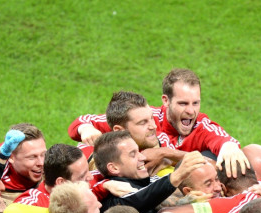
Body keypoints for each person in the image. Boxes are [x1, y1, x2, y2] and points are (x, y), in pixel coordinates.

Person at [69, 68, 249, 177]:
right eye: (183, 103)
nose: (191, 110)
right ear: (166, 100)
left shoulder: (200, 125)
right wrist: (85, 129)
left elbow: (223, 140)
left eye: (196, 103)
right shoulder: (147, 117)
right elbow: (82, 122)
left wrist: (229, 146)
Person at [93, 130, 206, 213]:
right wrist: (178, 175)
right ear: (114, 168)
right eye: (133, 154)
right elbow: (140, 197)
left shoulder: (146, 180)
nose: (142, 157)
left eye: (139, 152)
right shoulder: (113, 196)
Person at [0, 123, 47, 205]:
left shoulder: (55, 174)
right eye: (32, 157)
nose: (41, 163)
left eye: (43, 154)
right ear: (11, 157)